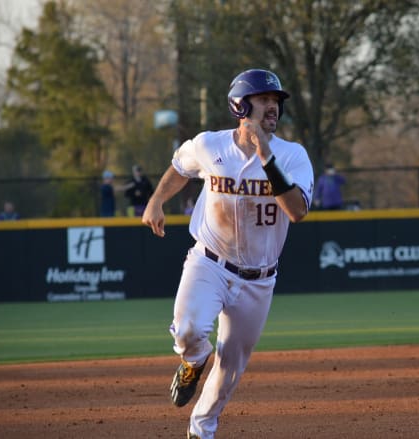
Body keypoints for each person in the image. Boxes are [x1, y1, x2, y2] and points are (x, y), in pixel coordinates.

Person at [142, 68, 314, 439]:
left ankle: (200, 430)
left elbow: (297, 211)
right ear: (240, 105)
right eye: (264, 100)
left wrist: (267, 157)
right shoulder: (209, 145)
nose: (272, 107)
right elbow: (179, 167)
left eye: (276, 101)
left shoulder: (292, 156)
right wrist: (156, 201)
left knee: (229, 372)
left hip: (259, 278)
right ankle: (192, 359)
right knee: (189, 330)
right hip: (210, 260)